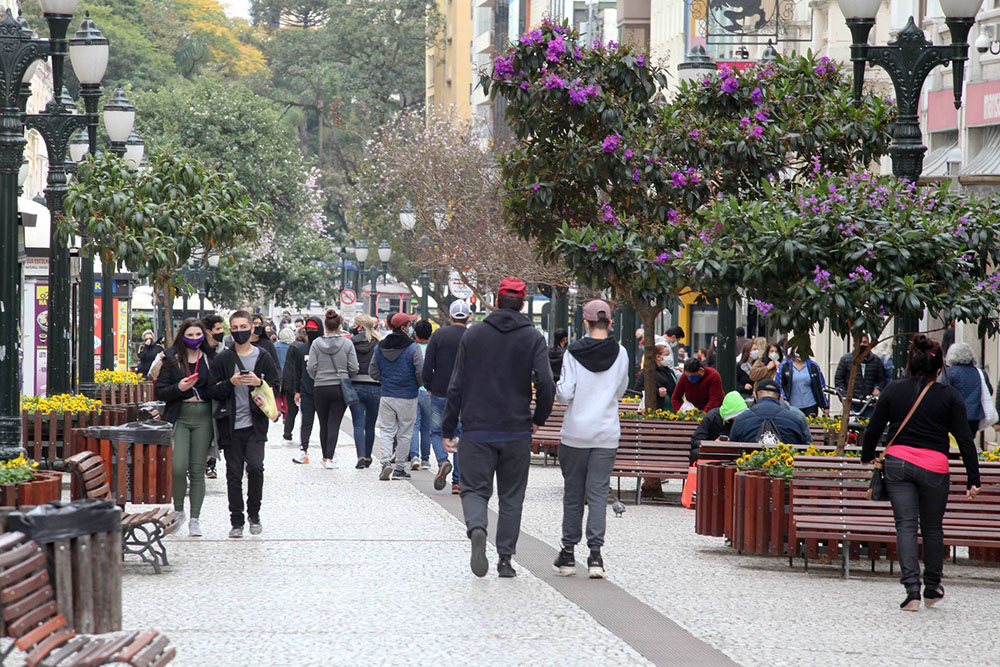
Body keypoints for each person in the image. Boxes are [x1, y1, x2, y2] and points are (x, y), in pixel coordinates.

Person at [442, 277, 555, 578]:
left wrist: (448, 427)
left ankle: (477, 528)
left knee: (474, 490)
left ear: (496, 299)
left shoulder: (474, 334)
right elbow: (546, 383)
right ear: (522, 302)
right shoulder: (533, 338)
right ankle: (505, 558)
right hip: (516, 430)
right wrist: (537, 419)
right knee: (511, 496)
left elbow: (456, 385)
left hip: (477, 429)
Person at [862, 334, 981, 611]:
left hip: (898, 464)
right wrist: (973, 479)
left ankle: (911, 592)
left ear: (910, 364)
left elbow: (874, 427)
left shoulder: (893, 390)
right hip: (934, 467)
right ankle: (932, 587)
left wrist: (867, 456)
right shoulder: (949, 396)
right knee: (932, 527)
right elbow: (965, 439)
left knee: (905, 525)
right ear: (939, 369)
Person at [550, 300, 628, 579]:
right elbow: (620, 390)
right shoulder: (621, 353)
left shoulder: (572, 352)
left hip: (575, 433)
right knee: (597, 495)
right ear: (610, 322)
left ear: (585, 322)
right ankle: (596, 556)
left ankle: (568, 554)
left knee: (573, 495)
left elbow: (564, 394)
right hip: (606, 433)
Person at [208, 310, 280, 538]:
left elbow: (277, 387)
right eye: (235, 327)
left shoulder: (263, 357)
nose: (240, 331)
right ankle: (236, 520)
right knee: (234, 474)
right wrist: (230, 382)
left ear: (252, 328)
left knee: (256, 468)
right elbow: (212, 391)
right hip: (230, 425)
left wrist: (259, 382)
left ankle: (254, 514)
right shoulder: (224, 359)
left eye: (243, 327)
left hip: (255, 425)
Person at [154, 318, 217, 537]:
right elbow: (160, 391)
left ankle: (195, 518)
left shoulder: (211, 359)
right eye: (189, 335)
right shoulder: (172, 359)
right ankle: (179, 510)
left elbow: (218, 389)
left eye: (197, 335)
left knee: (197, 469)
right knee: (178, 466)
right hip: (180, 415)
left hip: (203, 417)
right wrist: (179, 388)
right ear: (182, 335)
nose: (194, 339)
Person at [370, 313, 423, 481]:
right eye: (409, 324)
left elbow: (373, 371)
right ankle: (400, 467)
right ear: (403, 327)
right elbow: (420, 371)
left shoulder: (380, 347)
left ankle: (385, 462)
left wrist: (384, 380)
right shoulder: (413, 348)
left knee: (386, 430)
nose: (411, 327)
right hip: (408, 396)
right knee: (405, 432)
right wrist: (417, 384)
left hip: (387, 394)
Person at [422, 300, 468, 493]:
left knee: (436, 431)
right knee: (459, 434)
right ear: (468, 317)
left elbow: (428, 364)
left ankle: (442, 460)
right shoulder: (472, 336)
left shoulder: (439, 334)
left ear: (450, 316)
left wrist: (428, 385)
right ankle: (457, 481)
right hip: (465, 393)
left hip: (440, 390)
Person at [306, 309, 358, 469]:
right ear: (340, 325)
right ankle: (329, 457)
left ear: (325, 326)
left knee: (323, 423)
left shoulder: (316, 344)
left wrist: (318, 377)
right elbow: (354, 367)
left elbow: (311, 367)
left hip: (320, 386)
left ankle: (324, 456)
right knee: (334, 422)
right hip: (339, 386)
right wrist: (345, 374)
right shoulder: (347, 343)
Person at [409, 319, 449, 472]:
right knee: (427, 427)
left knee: (415, 424)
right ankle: (426, 459)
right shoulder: (434, 347)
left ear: (416, 333)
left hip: (415, 390)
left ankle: (414, 456)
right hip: (430, 392)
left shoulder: (412, 348)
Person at [730, 379, 812, 445]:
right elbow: (805, 446)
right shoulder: (795, 418)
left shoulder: (741, 419)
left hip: (750, 464)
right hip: (786, 463)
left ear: (756, 396)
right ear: (780, 398)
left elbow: (733, 447)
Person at [349, 314, 382, 469]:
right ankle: (368, 456)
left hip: (355, 385)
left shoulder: (351, 342)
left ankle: (360, 456)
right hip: (375, 385)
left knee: (357, 423)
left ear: (360, 326)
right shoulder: (379, 343)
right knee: (370, 424)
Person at [942, 342, 993, 436]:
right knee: (969, 442)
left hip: (955, 417)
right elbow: (989, 391)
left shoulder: (948, 373)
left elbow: (943, 394)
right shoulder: (980, 373)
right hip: (975, 417)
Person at [292, 318, 322, 463]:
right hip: (306, 391)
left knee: (326, 424)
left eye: (314, 330)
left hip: (323, 391)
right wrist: (296, 391)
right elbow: (297, 371)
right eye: (308, 330)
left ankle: (329, 452)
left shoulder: (325, 347)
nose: (311, 332)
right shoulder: (302, 349)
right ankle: (303, 450)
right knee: (306, 422)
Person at [833, 335, 886, 418]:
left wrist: (878, 389)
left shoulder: (876, 360)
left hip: (869, 404)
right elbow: (839, 380)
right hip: (852, 403)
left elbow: (882, 380)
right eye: (860, 342)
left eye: (865, 342)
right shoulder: (846, 359)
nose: (862, 344)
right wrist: (843, 396)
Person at [690, 391, 750, 464]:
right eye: (736, 415)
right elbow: (695, 441)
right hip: (711, 451)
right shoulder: (712, 417)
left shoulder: (745, 419)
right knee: (696, 453)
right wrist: (713, 444)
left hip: (734, 452)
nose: (738, 417)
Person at [778, 341, 829, 417]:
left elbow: (821, 386)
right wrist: (784, 400)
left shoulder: (813, 366)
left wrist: (825, 406)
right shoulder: (785, 366)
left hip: (810, 405)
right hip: (791, 406)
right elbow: (778, 384)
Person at [280, 327, 307, 444]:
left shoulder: (293, 345)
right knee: (305, 411)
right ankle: (303, 436)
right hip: (296, 382)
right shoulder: (301, 347)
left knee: (291, 409)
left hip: (287, 381)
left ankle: (287, 433)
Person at [654, 345, 677, 410]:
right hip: (660, 410)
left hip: (673, 409)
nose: (670, 358)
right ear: (658, 357)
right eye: (667, 354)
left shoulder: (669, 371)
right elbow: (639, 390)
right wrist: (657, 392)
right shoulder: (649, 373)